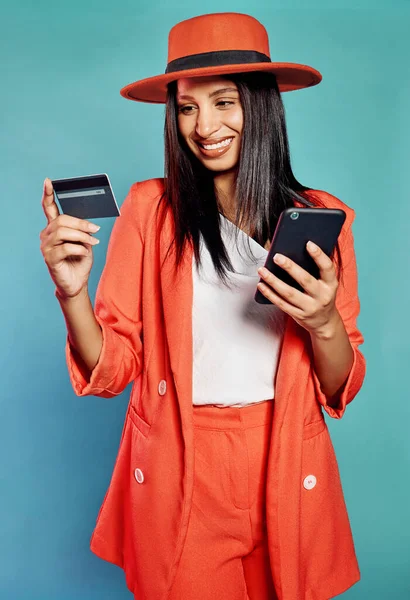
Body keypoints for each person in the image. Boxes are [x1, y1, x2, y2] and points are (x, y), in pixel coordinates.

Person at [39, 12, 366, 600]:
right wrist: (72, 294)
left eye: (224, 102)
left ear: (262, 106)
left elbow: (340, 382)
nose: (204, 125)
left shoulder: (321, 217)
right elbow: (116, 368)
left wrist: (322, 323)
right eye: (187, 108)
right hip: (182, 461)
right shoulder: (150, 210)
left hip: (286, 456)